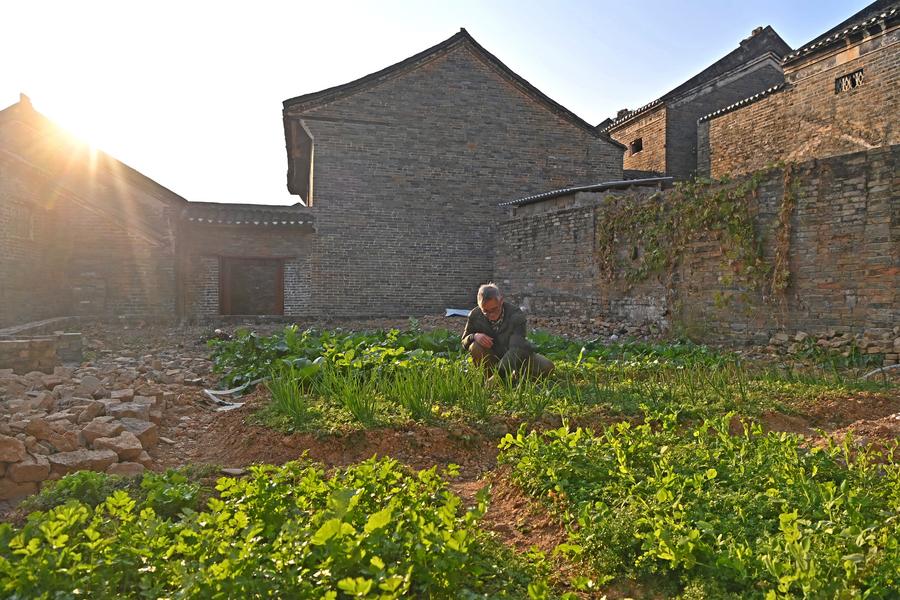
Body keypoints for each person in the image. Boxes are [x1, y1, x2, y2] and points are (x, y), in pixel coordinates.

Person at [461, 283, 554, 379]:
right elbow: (464, 341)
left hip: (517, 356)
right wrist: (474, 336)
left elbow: (516, 348)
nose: (491, 315)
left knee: (547, 367)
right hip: (492, 356)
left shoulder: (516, 315)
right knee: (475, 346)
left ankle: (513, 378)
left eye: (494, 309)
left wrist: (498, 375)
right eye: (486, 311)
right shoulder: (475, 315)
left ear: (501, 301)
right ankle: (487, 378)